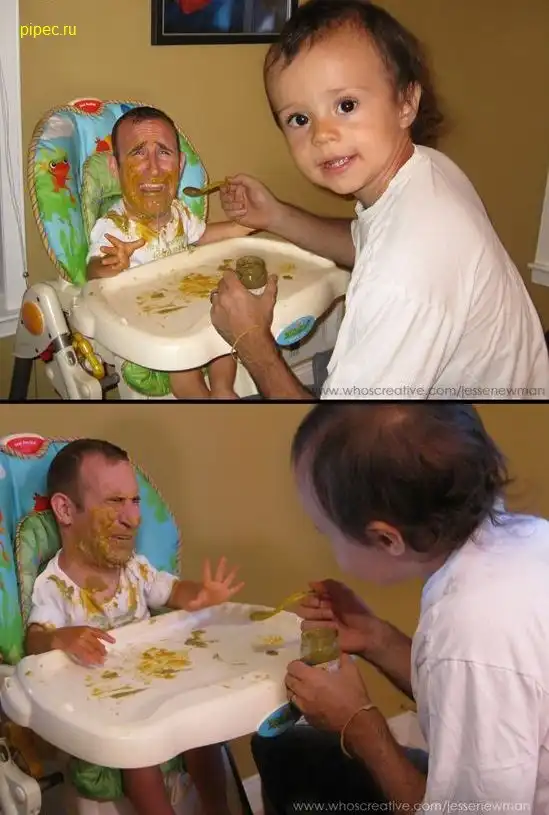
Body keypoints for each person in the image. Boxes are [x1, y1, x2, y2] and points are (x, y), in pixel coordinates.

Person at [212, 0, 549, 400]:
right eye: (299, 119)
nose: (322, 134)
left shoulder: (405, 271)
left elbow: (343, 433)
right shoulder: (427, 168)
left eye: (346, 105)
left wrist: (252, 340)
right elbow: (367, 241)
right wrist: (276, 216)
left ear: (406, 102)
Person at [250, 404, 549, 812]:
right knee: (281, 748)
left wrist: (361, 727)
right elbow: (468, 693)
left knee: (286, 757)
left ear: (387, 539)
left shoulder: (471, 630)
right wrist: (376, 637)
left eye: (325, 532)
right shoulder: (528, 537)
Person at [25, 439, 244, 815]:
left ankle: (217, 808)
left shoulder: (135, 570)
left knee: (202, 730)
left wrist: (202, 594)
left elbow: (173, 591)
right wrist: (61, 637)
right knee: (137, 756)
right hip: (106, 708)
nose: (133, 518)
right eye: (115, 501)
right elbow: (35, 639)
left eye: (135, 501)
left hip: (156, 685)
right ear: (65, 509)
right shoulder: (56, 587)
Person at [86, 106, 253, 399]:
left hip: (190, 307)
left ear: (180, 164)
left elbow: (204, 236)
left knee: (224, 336)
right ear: (115, 167)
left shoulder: (179, 212)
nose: (153, 168)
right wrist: (113, 263)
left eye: (163, 152)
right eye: (138, 152)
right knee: (183, 367)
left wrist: (248, 223)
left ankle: (223, 390)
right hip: (152, 327)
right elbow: (92, 271)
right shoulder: (114, 226)